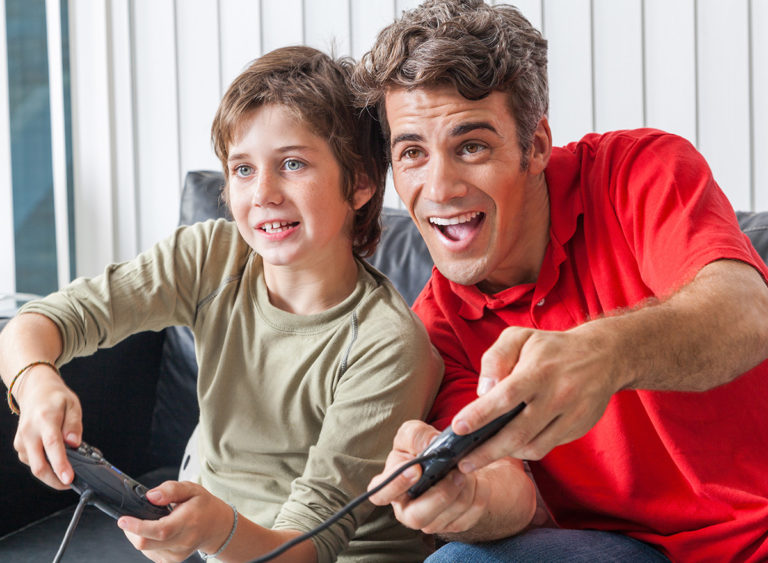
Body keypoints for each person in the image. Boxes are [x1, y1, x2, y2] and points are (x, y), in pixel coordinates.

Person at [351, 0, 768, 561]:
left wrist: (605, 354)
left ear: (537, 146)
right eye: (412, 153)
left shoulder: (638, 172)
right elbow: (512, 492)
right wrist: (466, 499)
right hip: (627, 552)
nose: (440, 187)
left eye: (471, 146)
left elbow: (747, 312)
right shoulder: (437, 330)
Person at [0, 46, 443, 562]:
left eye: (293, 164)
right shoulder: (211, 256)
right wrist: (36, 384)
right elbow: (41, 322)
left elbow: (309, 546)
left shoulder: (387, 343)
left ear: (361, 182)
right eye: (243, 169)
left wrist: (214, 532)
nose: (263, 193)